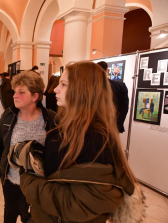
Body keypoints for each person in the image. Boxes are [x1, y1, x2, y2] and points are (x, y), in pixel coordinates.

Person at [20, 61, 144, 223]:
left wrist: (27, 179)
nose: (56, 89)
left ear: (83, 90)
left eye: (63, 84)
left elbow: (75, 204)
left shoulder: (93, 140)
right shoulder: (69, 131)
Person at [0, 70, 55, 223]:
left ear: (35, 96)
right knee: (10, 213)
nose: (14, 95)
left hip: (37, 185)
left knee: (32, 218)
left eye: (21, 92)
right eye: (14, 91)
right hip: (11, 180)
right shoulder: (8, 115)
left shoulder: (51, 119)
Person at [97, 61, 129, 133]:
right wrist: (117, 125)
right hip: (113, 124)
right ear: (107, 70)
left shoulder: (92, 87)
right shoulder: (120, 86)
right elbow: (124, 108)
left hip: (97, 126)